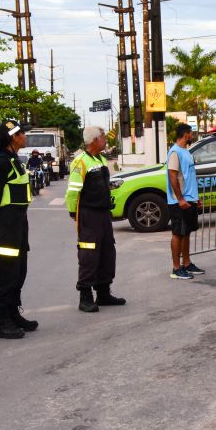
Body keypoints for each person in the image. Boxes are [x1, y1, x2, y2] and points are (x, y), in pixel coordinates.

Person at [0, 119, 37, 339]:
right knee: (6, 271)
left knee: (19, 269)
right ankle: (1, 321)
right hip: (6, 222)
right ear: (14, 137)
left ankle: (13, 313)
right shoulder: (1, 161)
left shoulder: (13, 159)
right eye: (23, 133)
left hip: (19, 221)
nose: (25, 136)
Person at [65, 126, 125, 312]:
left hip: (103, 214)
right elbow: (73, 191)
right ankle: (85, 296)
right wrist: (74, 213)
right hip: (88, 214)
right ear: (94, 140)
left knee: (107, 252)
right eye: (103, 138)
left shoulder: (99, 159)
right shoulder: (80, 162)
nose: (105, 141)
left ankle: (103, 293)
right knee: (89, 255)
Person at [167, 123, 205, 280]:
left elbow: (189, 178)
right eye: (191, 133)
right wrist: (180, 199)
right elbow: (172, 176)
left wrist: (196, 198)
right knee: (178, 233)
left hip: (190, 200)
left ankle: (187, 263)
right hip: (179, 202)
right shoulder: (175, 152)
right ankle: (176, 268)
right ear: (185, 134)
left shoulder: (186, 152)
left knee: (186, 233)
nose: (192, 136)